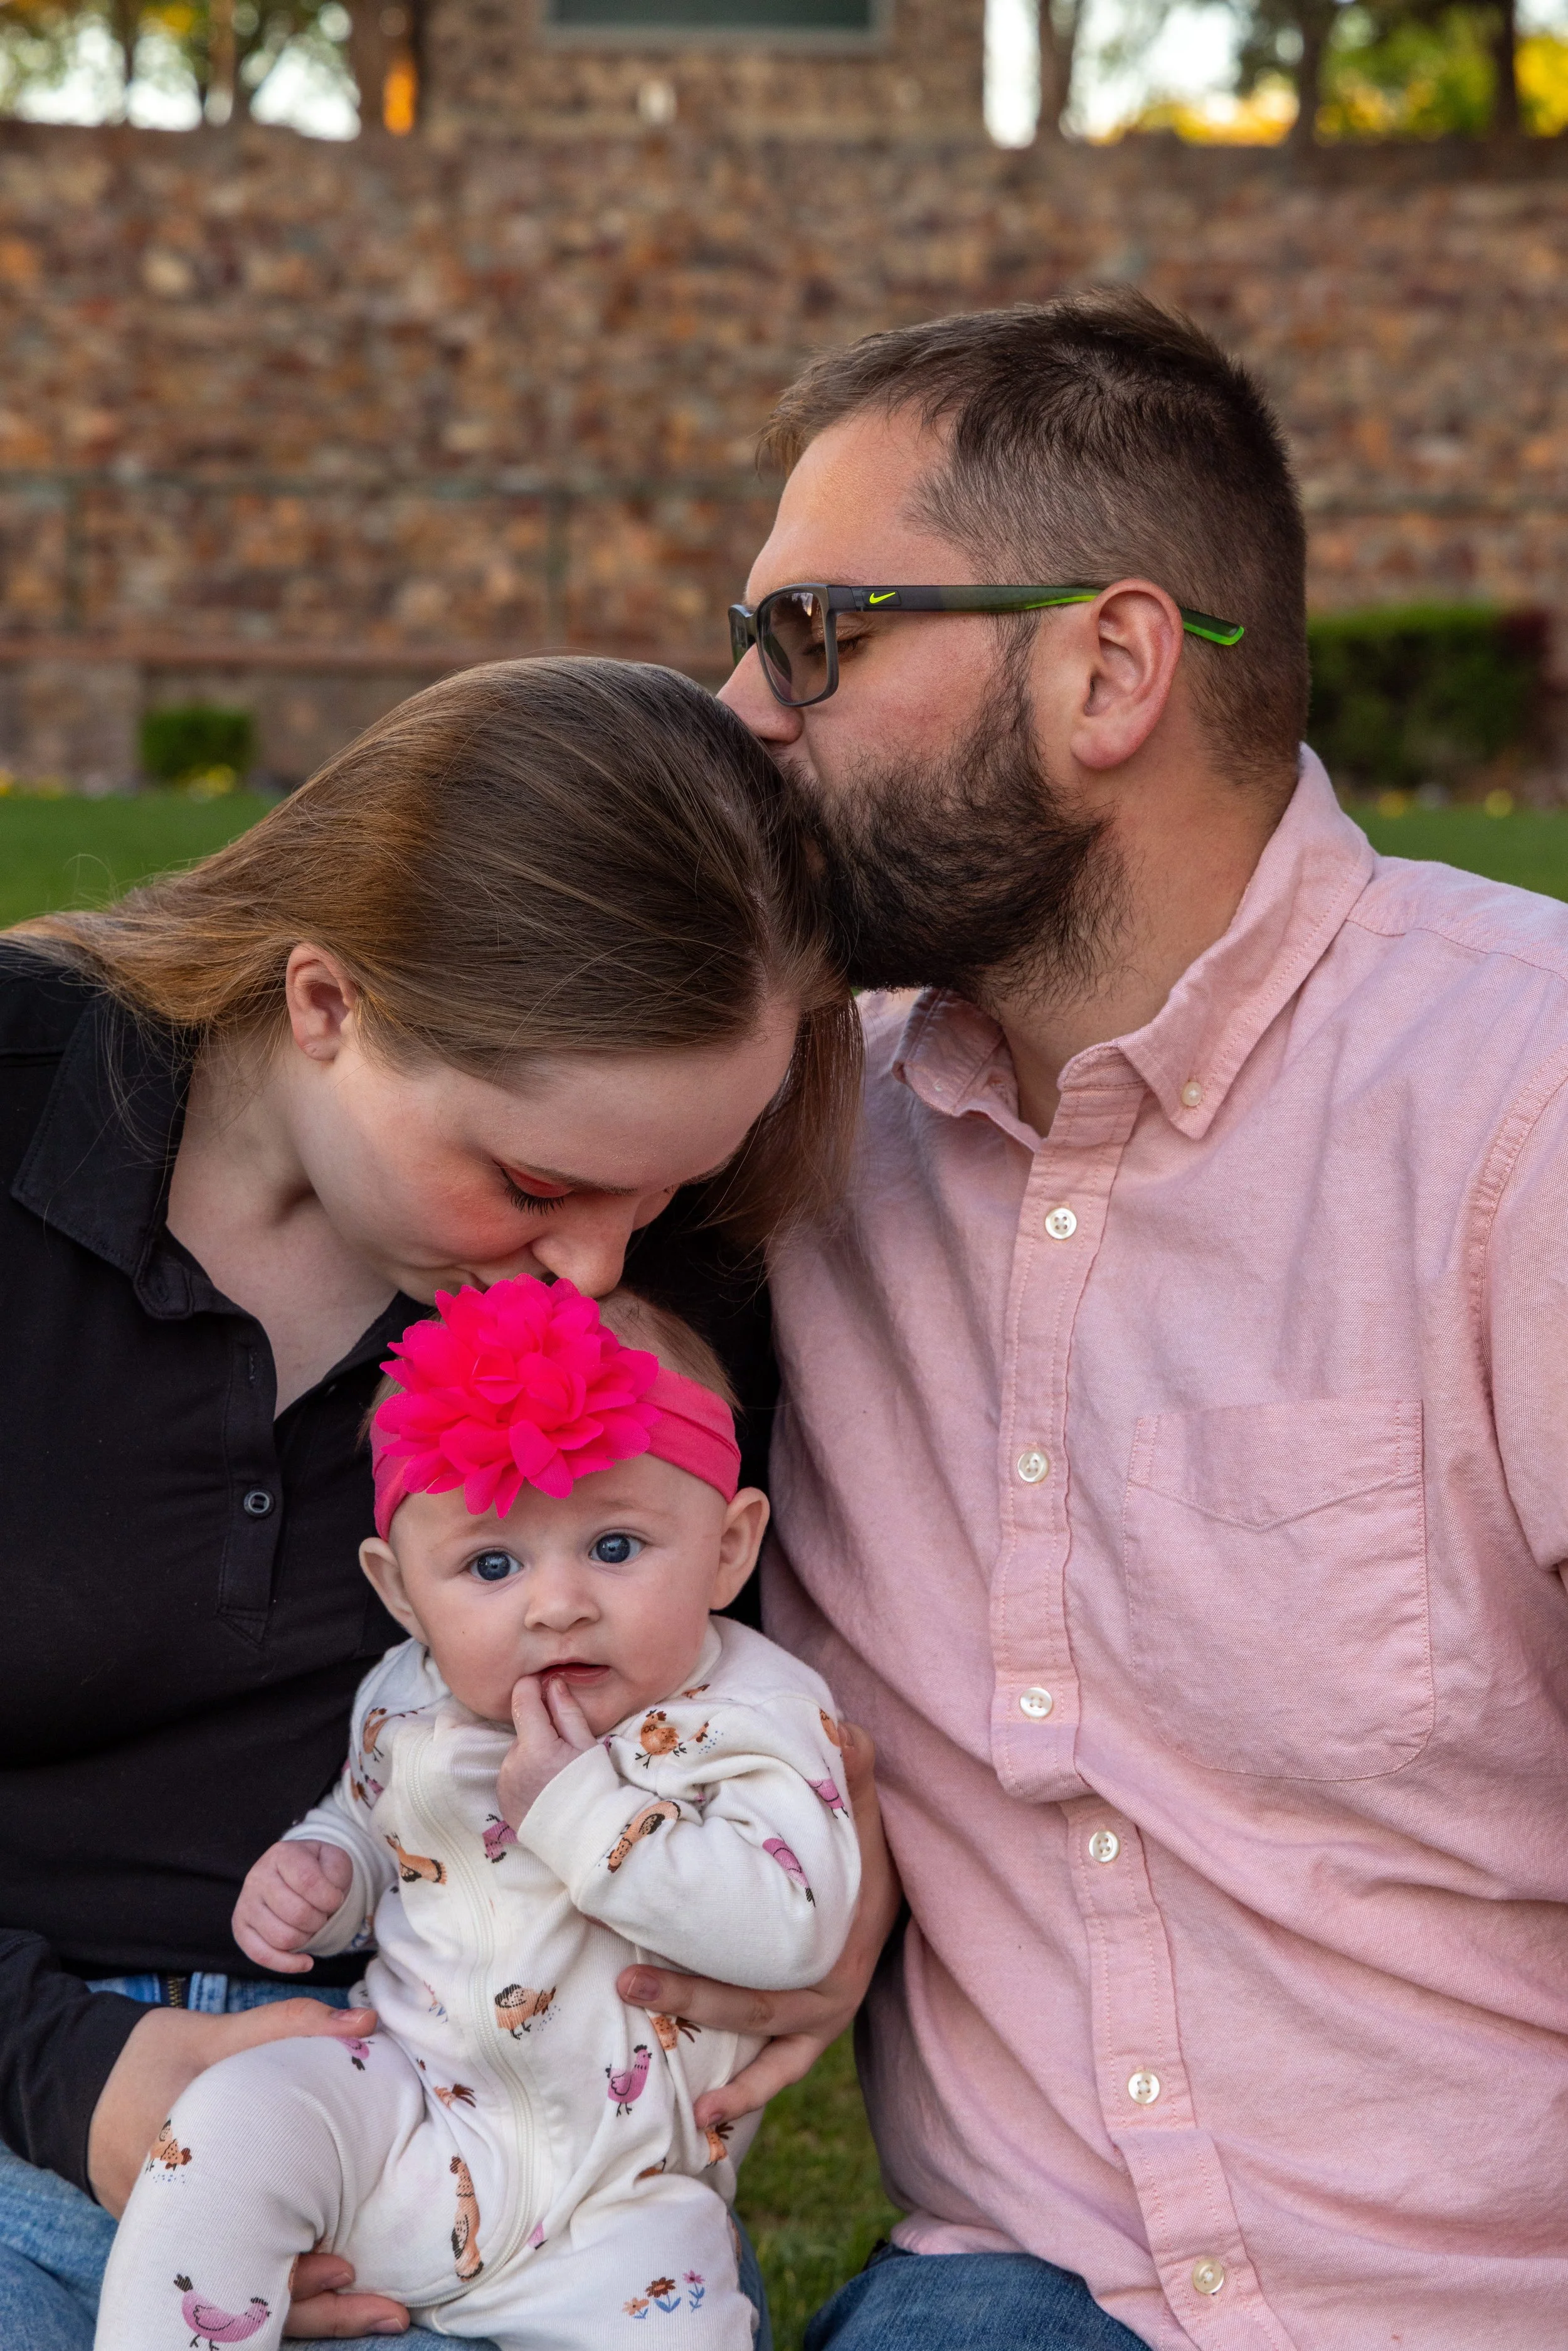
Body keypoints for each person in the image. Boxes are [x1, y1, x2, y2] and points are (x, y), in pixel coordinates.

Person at [600, 290, 1568, 2348]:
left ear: (1112, 665)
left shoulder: (1524, 1102)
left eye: (810, 639)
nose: (738, 712)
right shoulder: (781, 1122)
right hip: (1026, 2278)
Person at [0, 655, 873, 2351]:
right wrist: (73, 2076)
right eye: (535, 1182)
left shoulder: (648, 1284)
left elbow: (748, 1687)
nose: (597, 1263)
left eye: (663, 1188)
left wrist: (844, 1889)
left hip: (498, 2136)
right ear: (327, 1002)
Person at [97, 1275, 860, 2351]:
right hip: (406, 2110)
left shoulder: (755, 1717)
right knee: (233, 2119)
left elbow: (794, 1927)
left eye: (615, 1547)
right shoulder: (409, 1695)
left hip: (620, 2205)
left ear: (729, 1547)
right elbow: (371, 1819)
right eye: (492, 1565)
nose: (557, 1604)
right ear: (402, 1592)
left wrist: (581, 1809)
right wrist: (327, 1871)